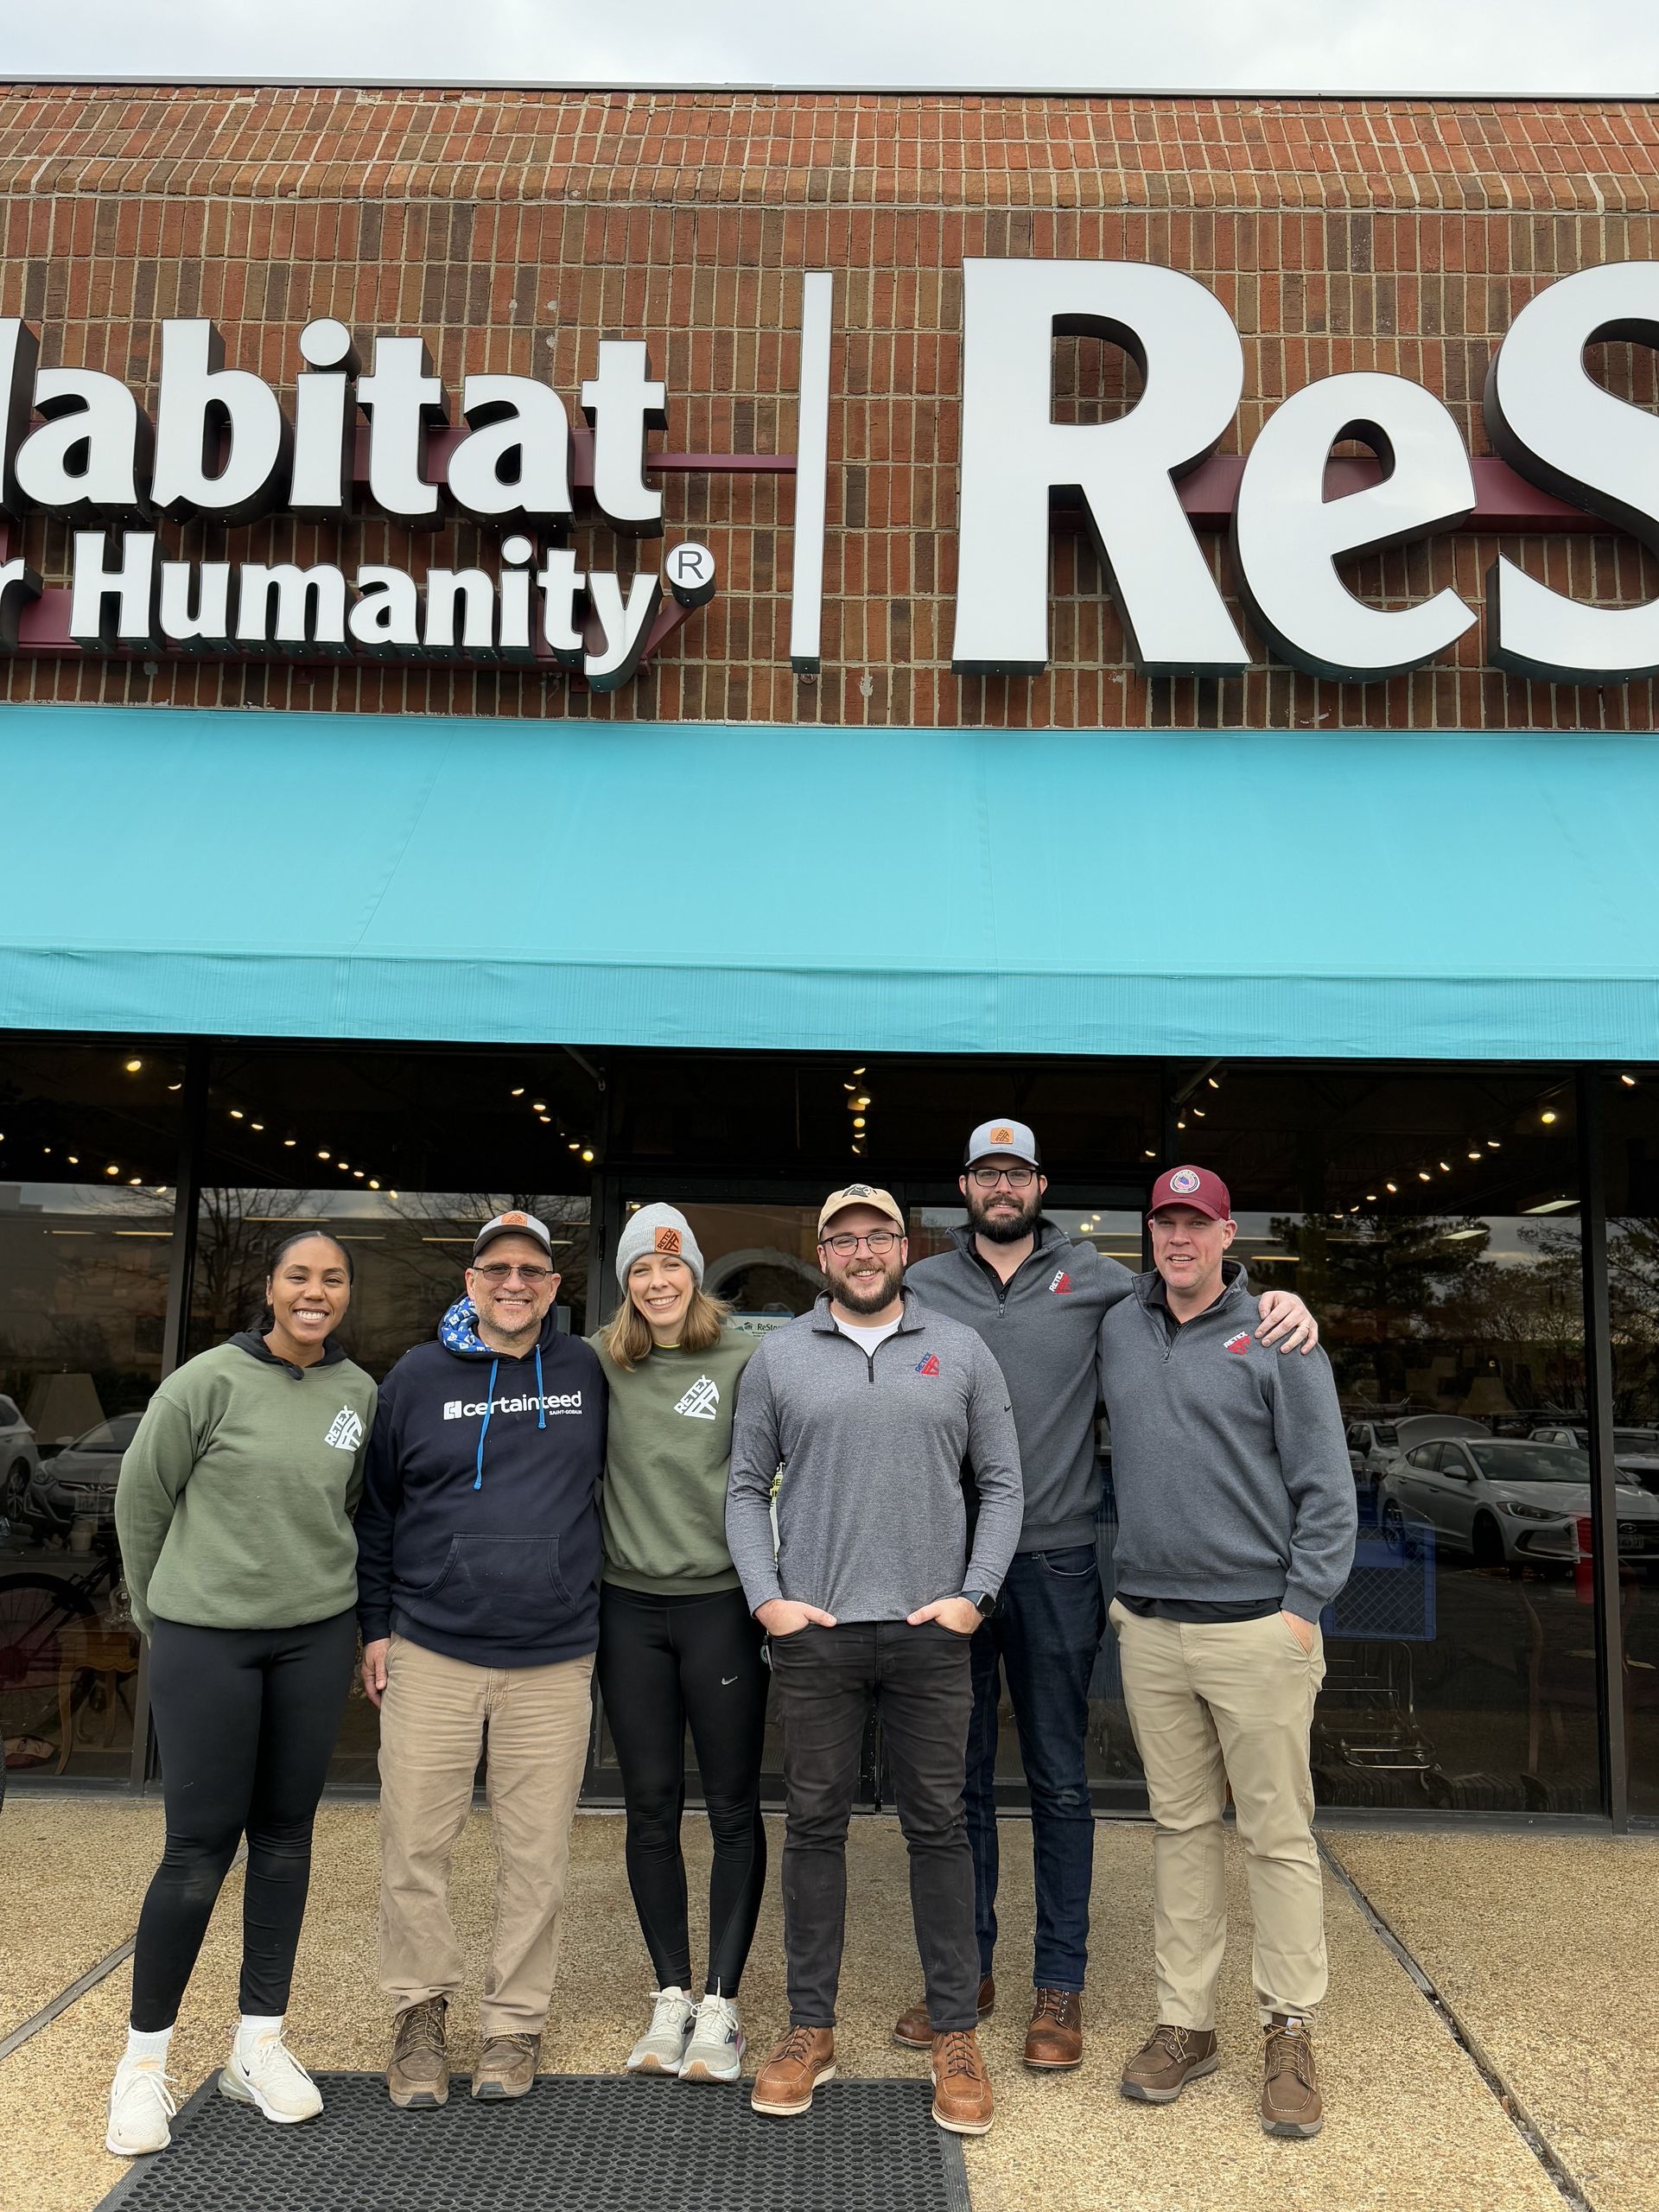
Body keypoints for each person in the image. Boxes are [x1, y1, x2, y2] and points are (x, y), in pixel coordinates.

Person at [896, 1120, 1319, 2071]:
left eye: (1018, 1172)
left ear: (1041, 1182)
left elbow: (1201, 1296)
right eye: (986, 1173)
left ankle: (1060, 1986)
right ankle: (965, 1976)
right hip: (947, 1570)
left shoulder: (1099, 1283)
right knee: (955, 1782)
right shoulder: (923, 1285)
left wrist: (1282, 1302)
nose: (1002, 1187)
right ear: (964, 1185)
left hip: (1054, 1565)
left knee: (1057, 1778)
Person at [728, 1184, 1023, 2138]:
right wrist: (767, 1600)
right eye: (844, 1238)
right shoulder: (779, 1357)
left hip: (930, 1634)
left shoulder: (962, 1350)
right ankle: (809, 2026)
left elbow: (1004, 1484)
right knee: (814, 1826)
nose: (862, 1251)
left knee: (940, 1828)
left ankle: (953, 2031)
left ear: (906, 1245)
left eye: (878, 1235)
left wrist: (973, 1596)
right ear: (823, 1252)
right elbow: (742, 1488)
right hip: (816, 1635)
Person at [106, 1230, 377, 2157]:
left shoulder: (358, 1395)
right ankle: (143, 2065)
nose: (316, 1291)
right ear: (270, 1288)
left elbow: (348, 1509)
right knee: (196, 1848)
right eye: (299, 1275)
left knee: (287, 1838)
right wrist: (162, 1615)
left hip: (312, 1638)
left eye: (332, 1278)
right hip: (205, 1640)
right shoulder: (203, 1384)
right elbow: (141, 1502)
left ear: (347, 1295)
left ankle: (257, 2044)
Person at [1100, 1166, 1357, 2139]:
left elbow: (1327, 1488)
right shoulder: (1120, 1322)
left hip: (1258, 1627)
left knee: (1277, 1836)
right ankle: (1186, 2023)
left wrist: (1301, 1607)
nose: (1178, 1239)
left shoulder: (1280, 1337)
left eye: (1194, 1224)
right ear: (1150, 1236)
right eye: (1165, 1222)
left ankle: (1287, 2030)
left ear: (1226, 1234)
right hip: (1154, 1627)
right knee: (1178, 1831)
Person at [356, 1210, 605, 2108]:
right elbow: (377, 1510)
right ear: (470, 1281)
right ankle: (420, 2017)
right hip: (433, 1648)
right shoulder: (418, 1377)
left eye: (531, 1270)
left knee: (535, 1855)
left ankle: (513, 2024)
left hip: (554, 1656)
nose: (514, 1282)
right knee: (415, 1844)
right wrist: (375, 1626)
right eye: (496, 1268)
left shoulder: (585, 1370)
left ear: (551, 1286)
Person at [589, 1204, 767, 2084]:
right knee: (650, 1805)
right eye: (639, 1271)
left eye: (671, 1266)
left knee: (733, 1805)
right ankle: (671, 1994)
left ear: (694, 1271)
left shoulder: (744, 1356)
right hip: (629, 1610)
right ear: (626, 1284)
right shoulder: (601, 1358)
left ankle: (723, 2003)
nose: (657, 1283)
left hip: (719, 1608)